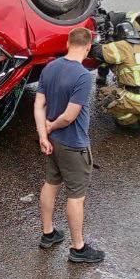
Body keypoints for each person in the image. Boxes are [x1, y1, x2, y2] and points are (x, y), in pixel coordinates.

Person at [34, 26, 104, 264]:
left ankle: (48, 233)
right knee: (76, 196)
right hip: (74, 144)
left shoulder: (51, 67)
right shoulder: (83, 76)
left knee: (51, 183)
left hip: (53, 143)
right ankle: (78, 248)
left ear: (67, 43)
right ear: (87, 47)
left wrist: (43, 134)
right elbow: (70, 115)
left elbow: (39, 104)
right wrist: (51, 127)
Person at [95, 21, 140, 133]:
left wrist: (95, 42)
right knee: (132, 94)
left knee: (104, 93)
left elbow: (98, 52)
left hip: (139, 98)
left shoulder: (123, 45)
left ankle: (129, 122)